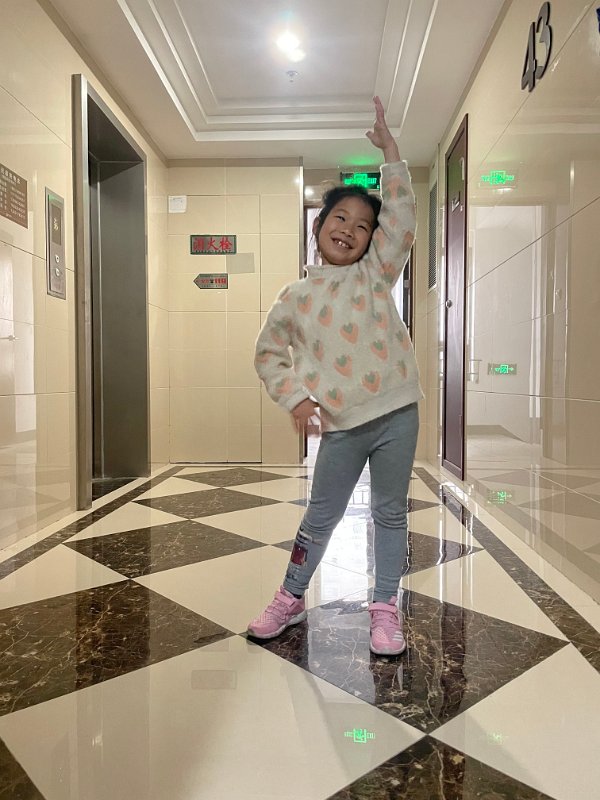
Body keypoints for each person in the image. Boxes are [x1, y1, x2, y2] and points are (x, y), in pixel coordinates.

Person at [247, 97, 422, 656]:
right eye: (340, 219)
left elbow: (402, 220)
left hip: (397, 412)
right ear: (319, 226)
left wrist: (390, 152)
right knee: (320, 516)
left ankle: (385, 607)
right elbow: (268, 354)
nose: (350, 230)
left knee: (390, 514)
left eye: (363, 226)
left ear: (373, 241)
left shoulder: (376, 273)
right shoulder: (295, 296)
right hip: (342, 425)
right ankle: (291, 595)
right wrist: (297, 399)